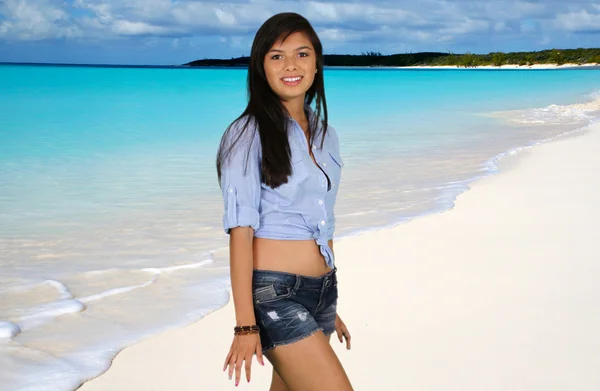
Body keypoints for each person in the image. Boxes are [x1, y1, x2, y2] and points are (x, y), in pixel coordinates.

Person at [216, 12, 353, 391]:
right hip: (275, 295)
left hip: (322, 292)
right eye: (276, 56)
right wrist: (245, 324)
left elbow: (323, 218)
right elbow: (240, 233)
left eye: (302, 54)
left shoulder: (326, 134)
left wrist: (327, 306)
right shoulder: (246, 134)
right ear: (261, 67)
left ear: (316, 63)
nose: (291, 65)